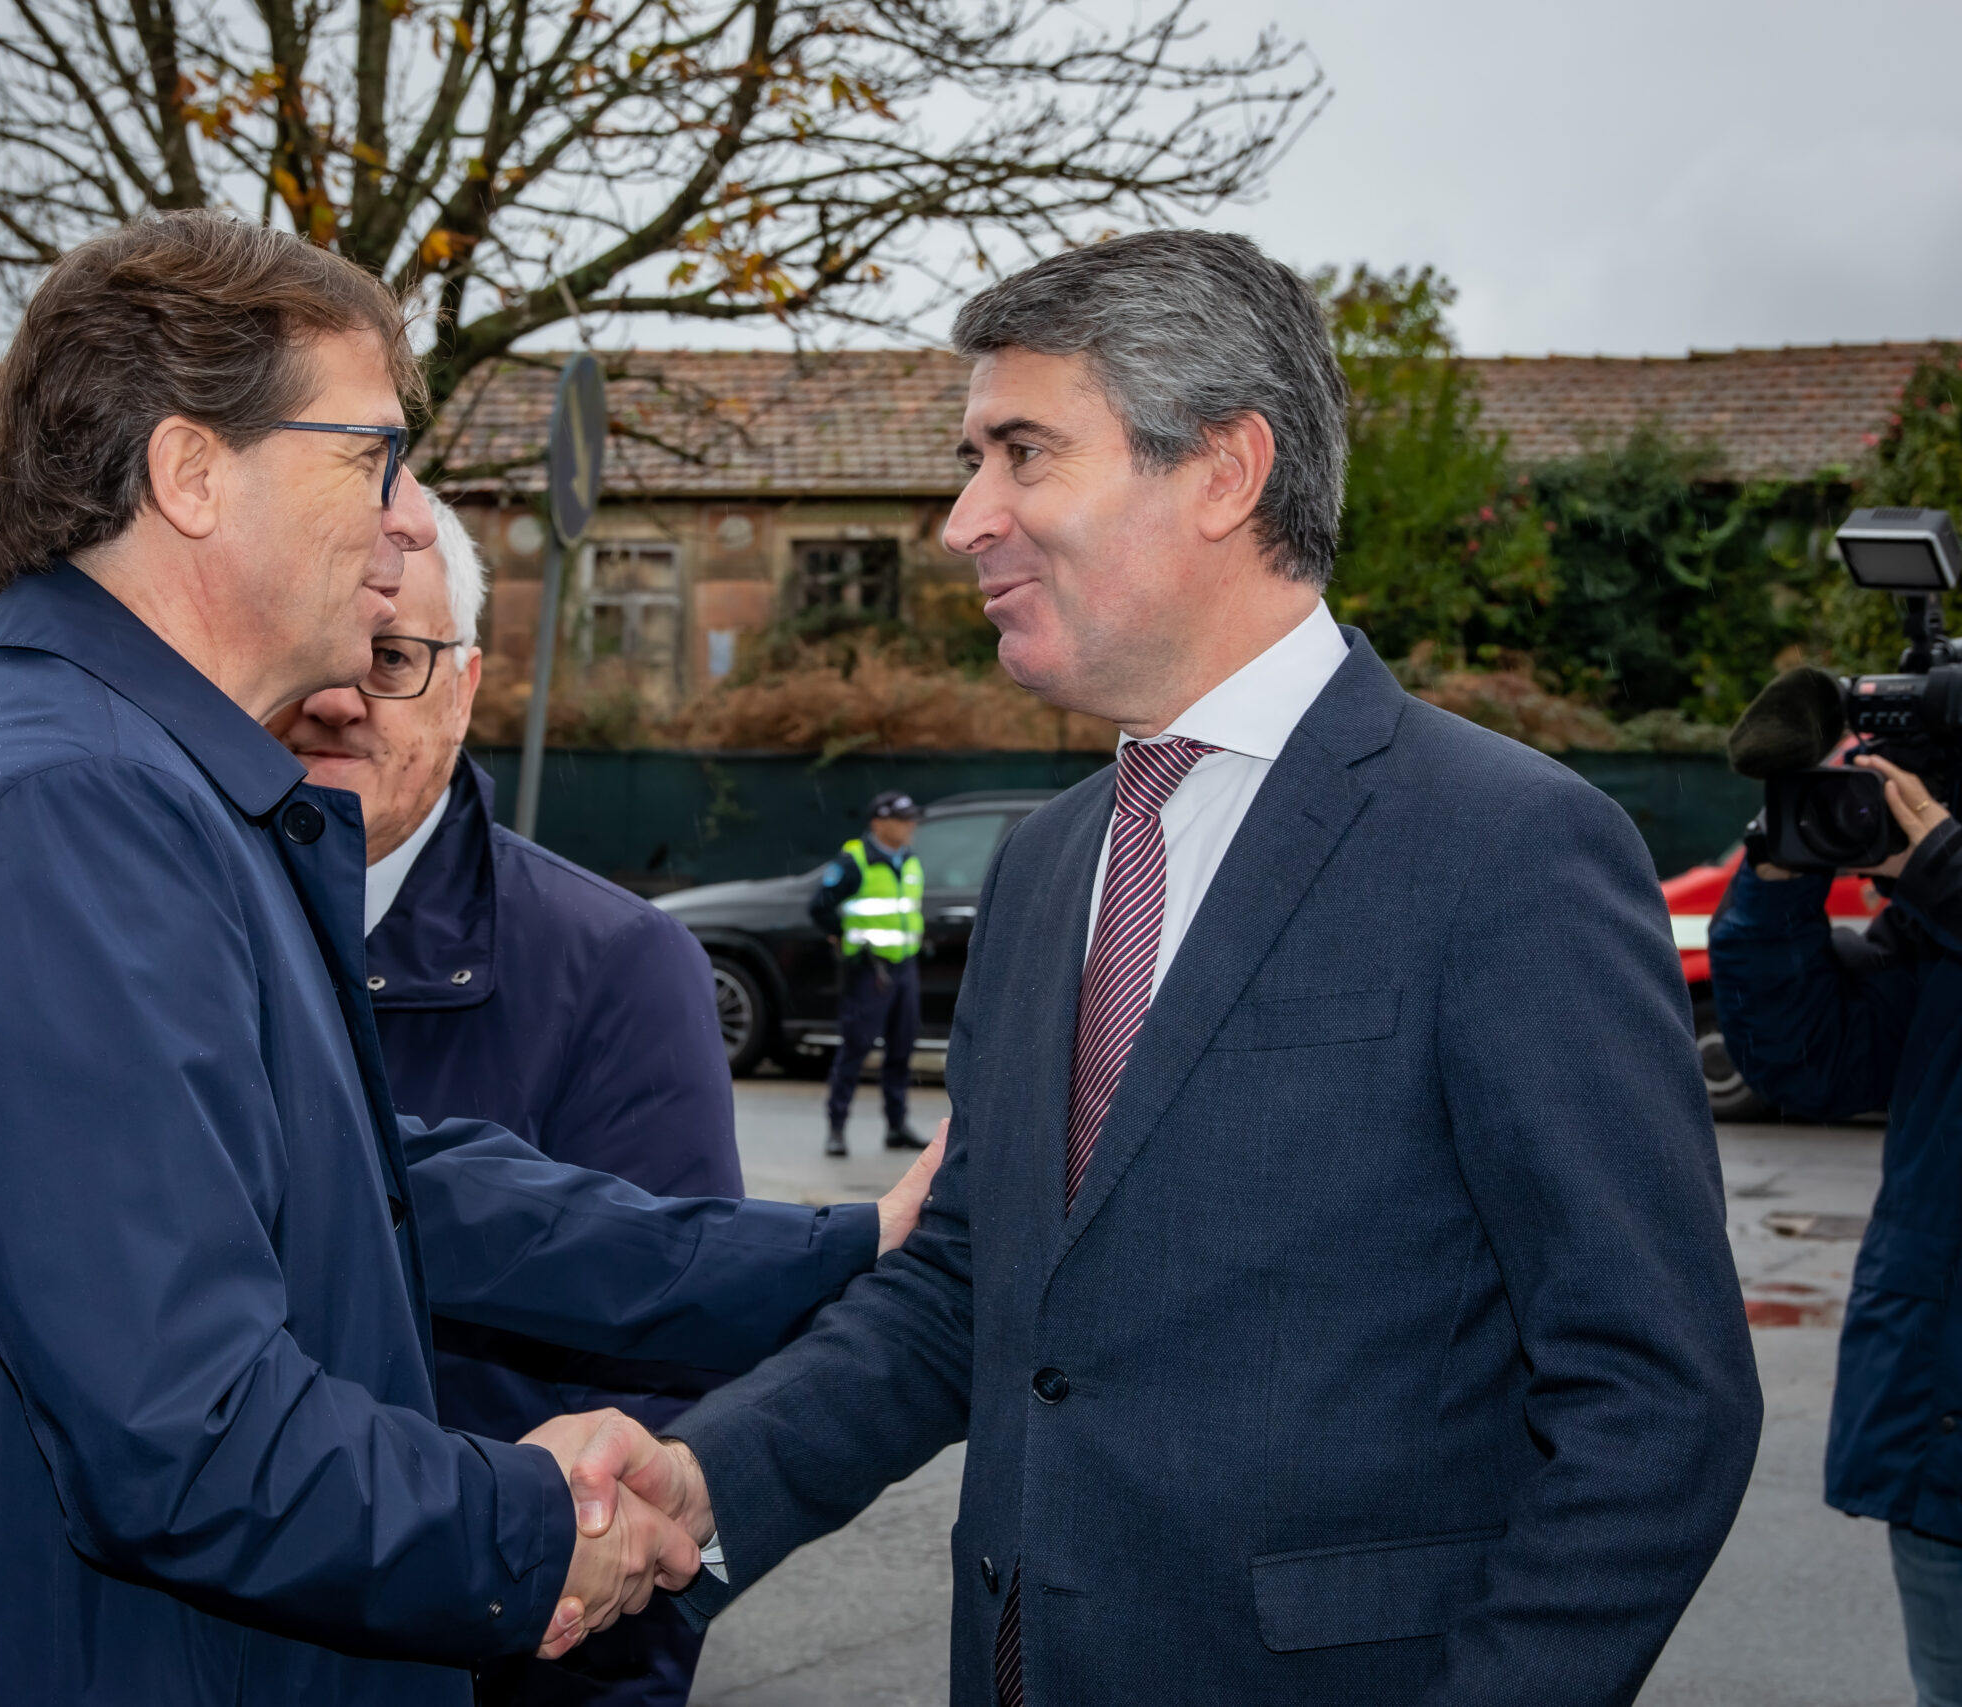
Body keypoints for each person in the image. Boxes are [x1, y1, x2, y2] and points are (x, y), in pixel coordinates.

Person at [556, 230, 1764, 1705]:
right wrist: (705, 1477)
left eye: (1021, 453)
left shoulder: (1509, 848)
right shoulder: (1048, 862)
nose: (964, 519)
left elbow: (1657, 1401)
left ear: (1223, 470)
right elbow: (969, 1285)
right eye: (970, 460)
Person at [0, 212, 938, 1707]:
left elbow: (379, 1184)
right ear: (191, 473)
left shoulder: (148, 780)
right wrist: (535, 1528)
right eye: (371, 456)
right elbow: (184, 1428)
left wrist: (842, 1249)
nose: (404, 525)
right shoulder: (81, 803)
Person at [273, 496, 863, 1707]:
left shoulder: (615, 965)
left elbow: (658, 1423)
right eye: (306, 650)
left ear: (464, 686)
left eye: (389, 658)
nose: (337, 698)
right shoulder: (159, 929)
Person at [1709, 750, 1962, 1707]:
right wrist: (1783, 865)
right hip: (1946, 1442)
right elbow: (1815, 1058)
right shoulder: (1938, 915)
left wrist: (1948, 876)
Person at [809, 791, 931, 1156]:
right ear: (878, 823)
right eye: (902, 820)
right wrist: (845, 938)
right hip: (869, 969)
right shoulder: (855, 860)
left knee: (901, 1049)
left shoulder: (909, 859)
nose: (910, 827)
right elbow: (820, 907)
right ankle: (836, 1127)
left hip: (904, 967)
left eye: (912, 819)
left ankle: (896, 1126)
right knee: (856, 1048)